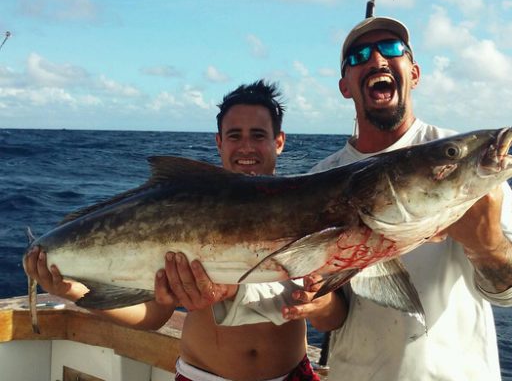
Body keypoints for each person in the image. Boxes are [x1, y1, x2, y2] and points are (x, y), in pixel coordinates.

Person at [279, 14, 512, 380]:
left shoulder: (467, 166)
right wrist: (319, 304)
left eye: (391, 48)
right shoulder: (317, 180)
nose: (377, 60)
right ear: (345, 86)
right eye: (359, 56)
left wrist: (488, 245)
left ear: (414, 72)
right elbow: (333, 308)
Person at [23, 80, 320, 381]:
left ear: (279, 141)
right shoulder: (188, 213)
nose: (246, 147)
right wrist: (70, 289)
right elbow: (153, 316)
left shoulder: (308, 209)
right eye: (234, 135)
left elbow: (332, 312)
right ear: (219, 142)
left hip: (294, 373)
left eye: (258, 135)